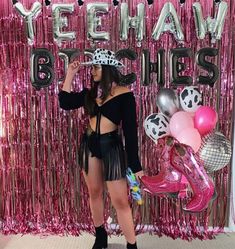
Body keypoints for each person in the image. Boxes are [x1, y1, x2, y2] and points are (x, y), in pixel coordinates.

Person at [58, 48, 144, 249]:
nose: (92, 71)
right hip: (89, 145)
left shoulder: (125, 95)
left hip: (111, 147)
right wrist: (70, 74)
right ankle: (101, 236)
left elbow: (130, 133)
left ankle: (132, 245)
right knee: (94, 192)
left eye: (96, 67)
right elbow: (65, 102)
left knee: (120, 200)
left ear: (107, 69)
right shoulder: (90, 93)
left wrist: (135, 165)